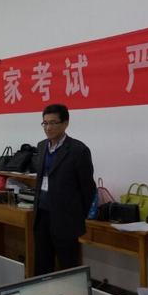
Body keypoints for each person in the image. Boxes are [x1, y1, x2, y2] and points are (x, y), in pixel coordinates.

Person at [32, 103, 96, 275]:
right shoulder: (41, 146)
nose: (48, 128)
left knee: (68, 268)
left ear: (65, 123)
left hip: (66, 220)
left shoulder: (78, 150)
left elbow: (88, 188)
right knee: (42, 266)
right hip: (42, 216)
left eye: (53, 123)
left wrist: (76, 215)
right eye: (45, 123)